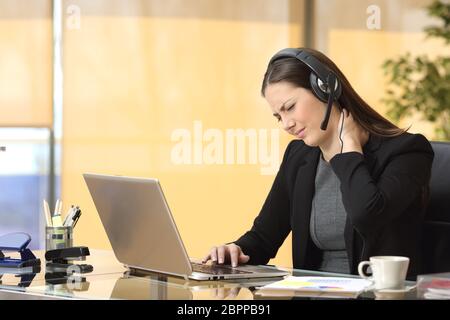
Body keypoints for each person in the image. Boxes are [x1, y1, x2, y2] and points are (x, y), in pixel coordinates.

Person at [202, 47, 434, 279]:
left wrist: (349, 152)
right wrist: (235, 250)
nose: (286, 124)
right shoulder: (299, 156)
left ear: (325, 89)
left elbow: (367, 215)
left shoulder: (407, 152)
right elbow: (264, 237)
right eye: (278, 117)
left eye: (290, 107)